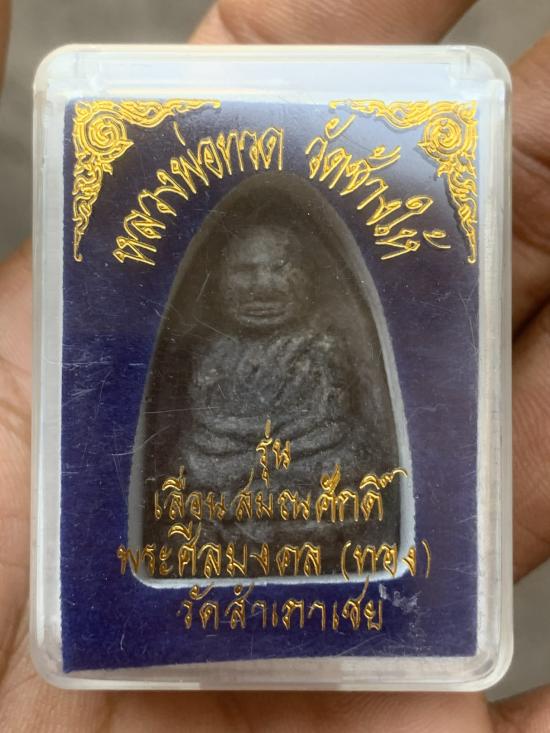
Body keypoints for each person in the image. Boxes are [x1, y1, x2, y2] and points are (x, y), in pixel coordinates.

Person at [0, 1, 549, 730]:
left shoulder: (324, 349)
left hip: (320, 507)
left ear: (308, 279)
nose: (262, 285)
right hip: (212, 519)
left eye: (279, 268)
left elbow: (346, 440)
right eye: (244, 271)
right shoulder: (208, 354)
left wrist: (298, 470)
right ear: (218, 285)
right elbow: (194, 441)